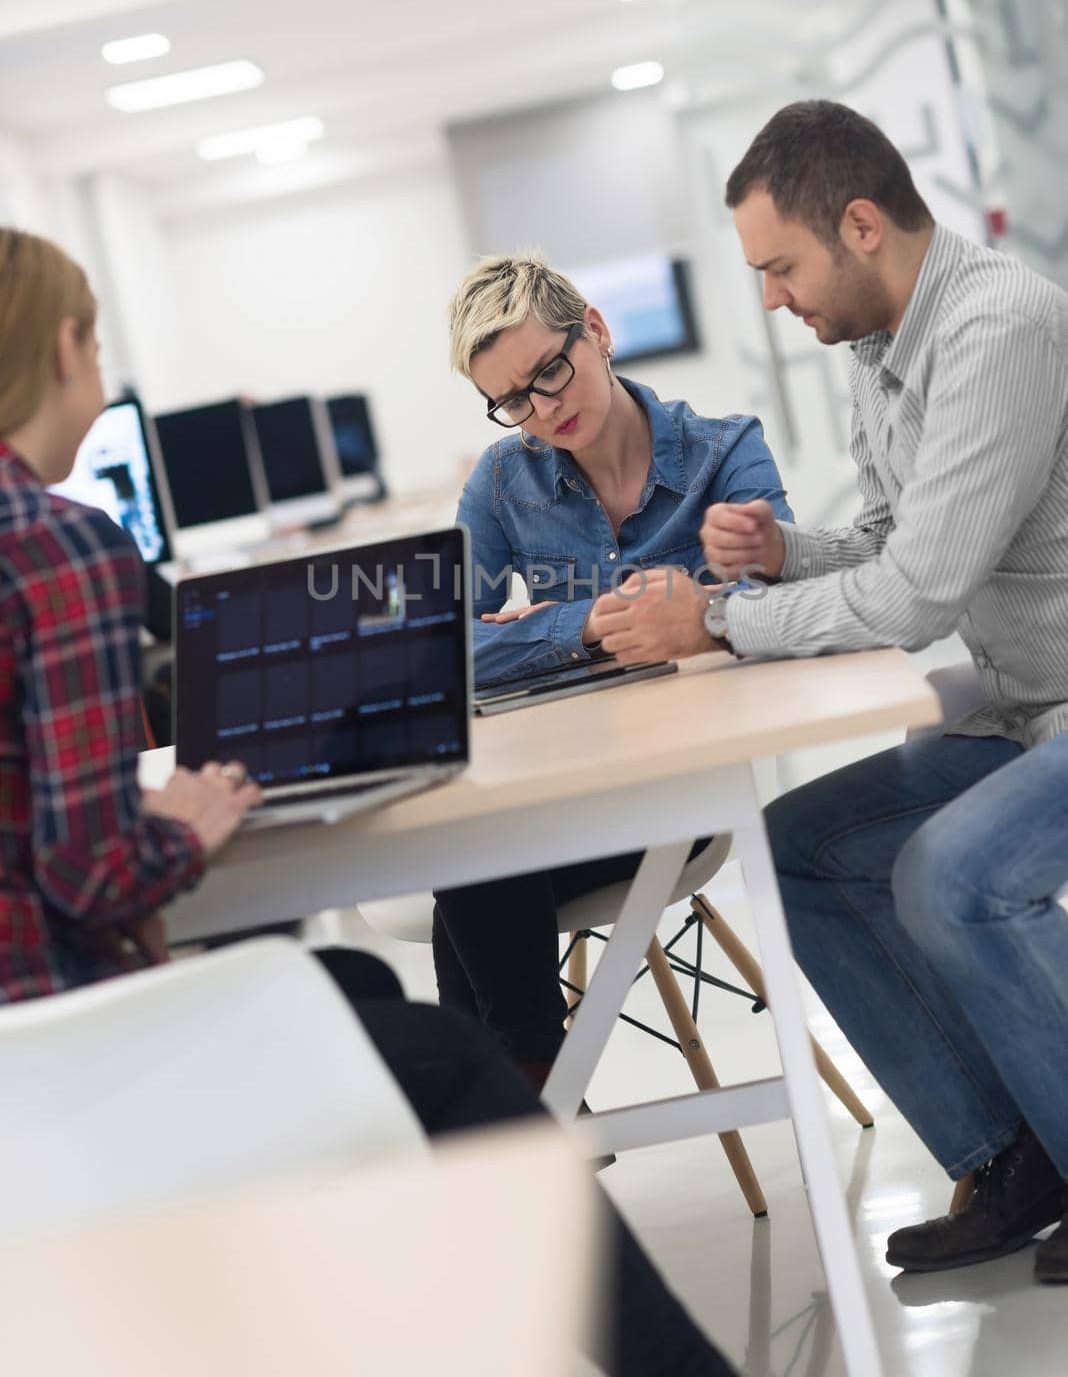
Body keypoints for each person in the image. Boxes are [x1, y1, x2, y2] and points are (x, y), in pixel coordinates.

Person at [0, 227, 735, 1377]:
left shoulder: (703, 448)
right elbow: (92, 871)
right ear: (65, 347)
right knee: (444, 1055)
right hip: (60, 1055)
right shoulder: (58, 547)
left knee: (344, 977)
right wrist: (183, 827)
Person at [598, 100, 1068, 1280]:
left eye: (779, 268)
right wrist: (781, 554)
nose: (770, 297)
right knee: (798, 849)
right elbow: (888, 540)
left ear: (861, 225)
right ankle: (1015, 1153)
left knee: (952, 874)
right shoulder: (881, 347)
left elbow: (914, 596)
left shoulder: (997, 331)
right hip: (1028, 702)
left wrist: (712, 615)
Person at [435, 251, 791, 1080]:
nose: (542, 408)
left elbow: (784, 594)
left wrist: (692, 616)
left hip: (686, 790)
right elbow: (441, 647)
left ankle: (527, 1111)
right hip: (562, 792)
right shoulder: (501, 481)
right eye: (512, 400)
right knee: (473, 853)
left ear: (594, 330)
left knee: (471, 869)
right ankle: (533, 1109)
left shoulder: (724, 451)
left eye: (551, 373)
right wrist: (587, 623)